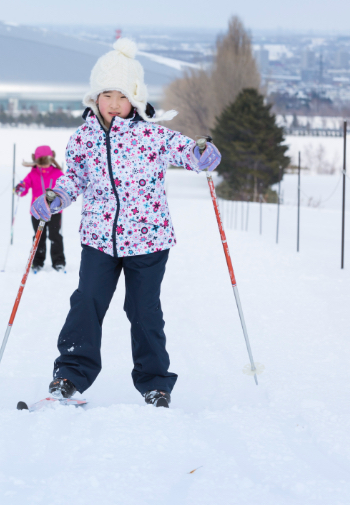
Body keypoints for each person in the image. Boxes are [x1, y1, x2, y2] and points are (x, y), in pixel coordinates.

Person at [30, 38, 221, 409]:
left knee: (143, 310)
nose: (114, 105)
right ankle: (69, 376)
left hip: (148, 240)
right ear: (94, 98)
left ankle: (155, 383)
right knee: (86, 302)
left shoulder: (150, 134)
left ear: (134, 99)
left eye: (122, 97)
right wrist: (55, 197)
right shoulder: (83, 139)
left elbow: (184, 151)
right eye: (107, 96)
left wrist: (201, 153)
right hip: (99, 239)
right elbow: (75, 180)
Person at [15, 146, 66, 272]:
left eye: (46, 163)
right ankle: (37, 262)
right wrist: (20, 188)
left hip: (54, 212)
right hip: (37, 212)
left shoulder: (58, 173)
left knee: (55, 236)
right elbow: (24, 186)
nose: (43, 166)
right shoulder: (33, 174)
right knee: (39, 237)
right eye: (41, 163)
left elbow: (66, 188)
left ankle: (58, 262)